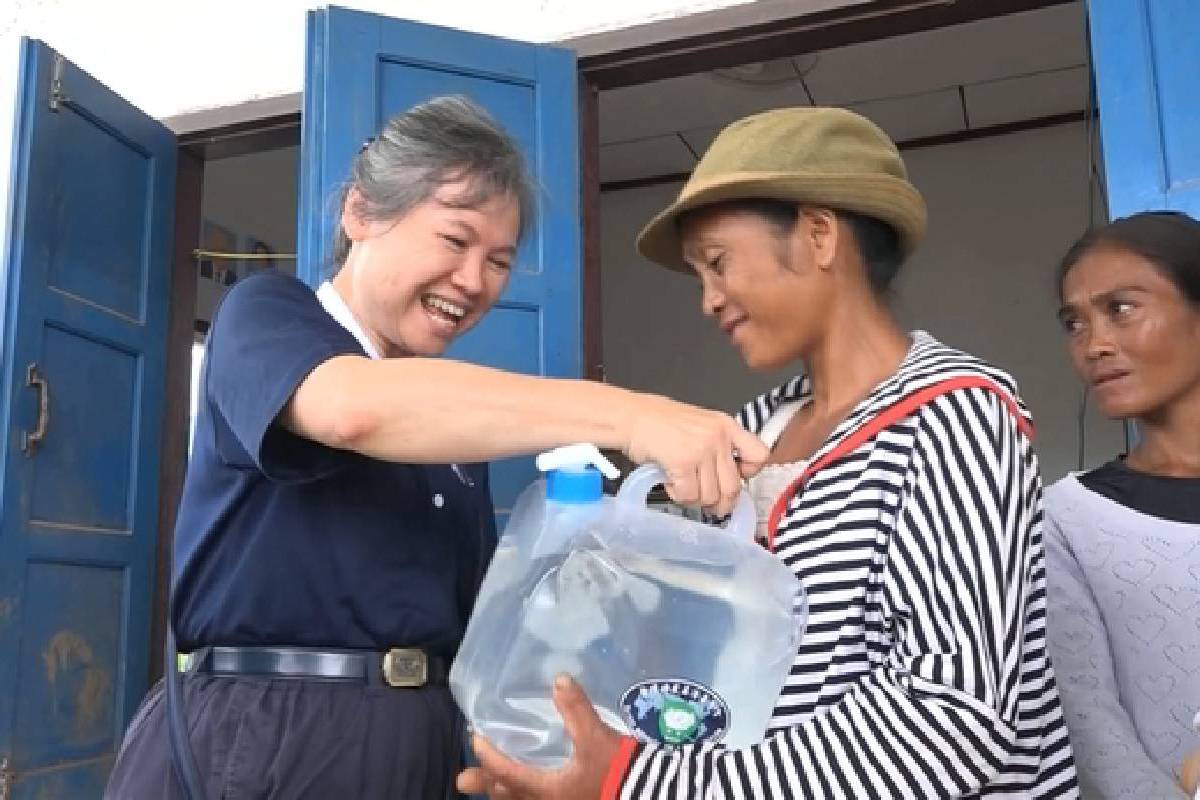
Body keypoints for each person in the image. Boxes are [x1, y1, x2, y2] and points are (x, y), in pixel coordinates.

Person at [102, 95, 767, 799]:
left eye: (500, 261)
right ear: (360, 213)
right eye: (455, 241)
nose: (475, 281)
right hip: (267, 739)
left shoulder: (450, 428)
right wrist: (632, 416)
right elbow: (349, 410)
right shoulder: (268, 316)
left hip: (418, 745)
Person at [459, 107, 1080, 799]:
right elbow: (705, 679)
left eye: (718, 264)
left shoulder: (954, 414)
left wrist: (641, 784)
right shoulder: (748, 434)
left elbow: (953, 714)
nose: (709, 300)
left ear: (818, 235)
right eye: (699, 275)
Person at [1044, 211, 1200, 800]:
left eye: (1121, 309)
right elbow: (1094, 734)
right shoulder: (1070, 520)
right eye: (1074, 323)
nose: (1095, 345)